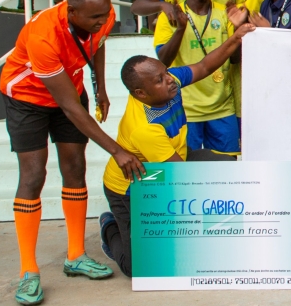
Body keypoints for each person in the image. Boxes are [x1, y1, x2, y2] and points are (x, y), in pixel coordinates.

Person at [0, 0, 145, 306]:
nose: (103, 20)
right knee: (33, 176)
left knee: (75, 169)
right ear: (71, 11)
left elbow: (99, 42)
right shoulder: (43, 36)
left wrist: (100, 88)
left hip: (69, 90)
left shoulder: (100, 16)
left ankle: (76, 255)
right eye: (94, 16)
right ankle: (29, 270)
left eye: (106, 13)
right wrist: (116, 150)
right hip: (27, 99)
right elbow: (70, 108)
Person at [100, 23, 255, 277]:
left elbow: (205, 66)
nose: (170, 80)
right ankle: (109, 226)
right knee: (138, 267)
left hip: (171, 163)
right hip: (132, 187)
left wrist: (236, 38)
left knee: (227, 166)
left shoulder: (165, 84)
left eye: (166, 72)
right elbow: (181, 178)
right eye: (160, 79)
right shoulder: (145, 128)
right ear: (141, 93)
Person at [153, 0, 241, 157]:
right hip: (186, 109)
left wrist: (237, 29)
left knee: (227, 169)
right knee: (187, 169)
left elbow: (235, 59)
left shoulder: (224, 12)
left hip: (222, 106)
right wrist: (180, 30)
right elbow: (163, 61)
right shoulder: (170, 16)